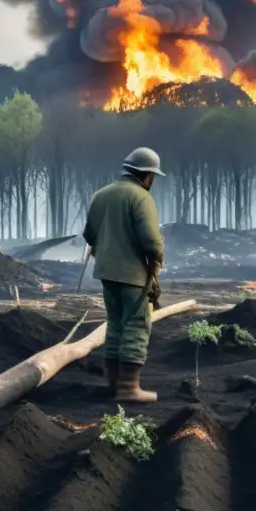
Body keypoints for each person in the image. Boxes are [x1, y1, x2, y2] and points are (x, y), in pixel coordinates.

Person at [84, 147, 166, 403]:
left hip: (107, 273)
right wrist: (157, 263)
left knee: (116, 324)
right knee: (136, 325)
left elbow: (89, 235)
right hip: (133, 274)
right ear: (146, 175)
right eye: (153, 176)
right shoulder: (141, 197)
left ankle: (113, 384)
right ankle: (129, 388)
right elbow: (152, 242)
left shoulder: (101, 195)